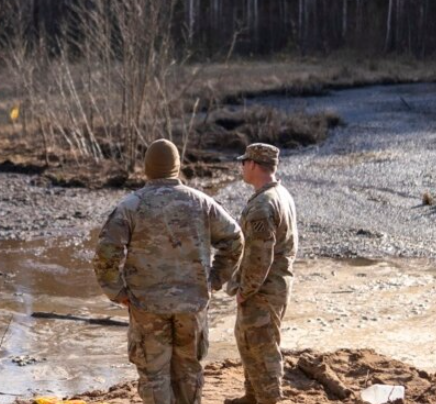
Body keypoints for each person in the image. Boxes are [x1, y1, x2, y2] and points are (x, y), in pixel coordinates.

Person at [94, 138, 244, 404]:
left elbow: (106, 254)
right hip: (193, 303)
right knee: (188, 370)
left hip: (147, 304)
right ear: (177, 167)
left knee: (154, 375)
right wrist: (215, 280)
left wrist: (118, 292)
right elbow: (234, 240)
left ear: (147, 168)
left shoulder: (131, 205)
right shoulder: (201, 202)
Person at [225, 143, 298, 404]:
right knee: (250, 340)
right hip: (275, 284)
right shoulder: (279, 193)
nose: (242, 167)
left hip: (264, 288)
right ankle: (253, 396)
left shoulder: (263, 205)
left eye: (244, 162)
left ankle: (269, 399)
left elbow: (259, 258)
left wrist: (245, 290)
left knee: (262, 346)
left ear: (254, 165)